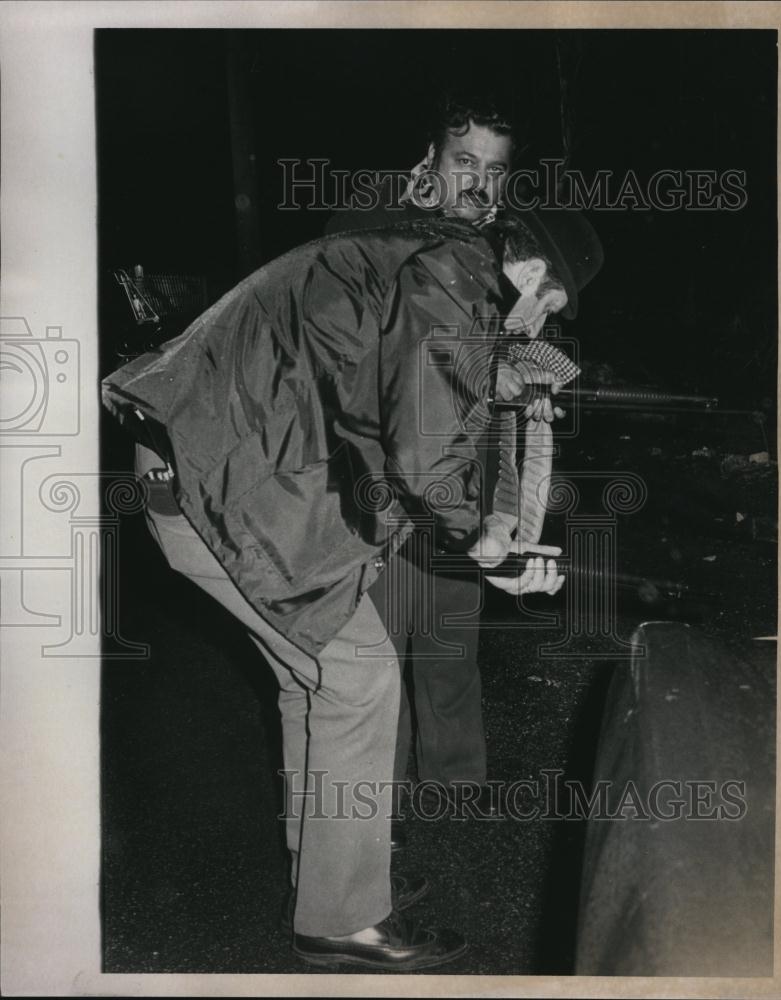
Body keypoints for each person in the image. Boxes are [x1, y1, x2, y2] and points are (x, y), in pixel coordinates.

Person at [102, 212, 577, 970]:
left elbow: (386, 423)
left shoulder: (417, 268)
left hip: (201, 468)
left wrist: (486, 507)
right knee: (360, 676)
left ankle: (327, 875)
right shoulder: (446, 282)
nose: (537, 324)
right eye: (548, 304)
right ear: (526, 274)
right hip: (214, 479)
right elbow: (420, 451)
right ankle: (343, 922)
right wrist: (481, 542)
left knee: (314, 675)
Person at [325, 93, 551, 816]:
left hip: (461, 476)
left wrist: (535, 363)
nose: (478, 183)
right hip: (383, 487)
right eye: (462, 162)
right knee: (375, 665)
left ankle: (457, 784)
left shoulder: (496, 244)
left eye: (493, 169)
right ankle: (372, 821)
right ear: (427, 163)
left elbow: (509, 348)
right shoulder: (376, 230)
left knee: (451, 645)